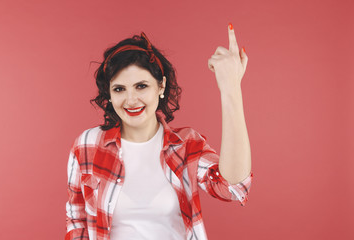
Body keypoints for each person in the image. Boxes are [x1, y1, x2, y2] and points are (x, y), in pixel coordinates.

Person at [65, 23, 253, 240]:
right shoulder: (87, 145)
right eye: (119, 89)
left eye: (141, 86)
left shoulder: (186, 144)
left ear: (161, 86)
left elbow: (231, 186)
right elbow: (76, 219)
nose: (131, 100)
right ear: (109, 94)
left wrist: (231, 88)